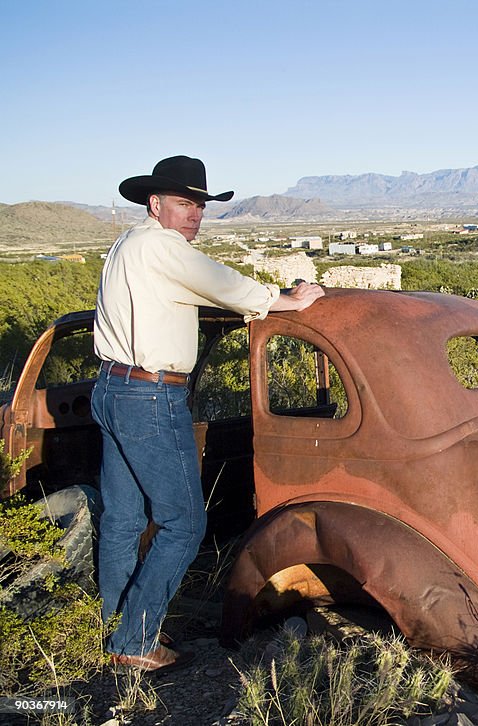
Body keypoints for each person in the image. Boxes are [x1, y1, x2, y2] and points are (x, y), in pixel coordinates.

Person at [92, 155, 324, 672]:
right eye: (184, 202)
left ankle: (117, 625)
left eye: (199, 204)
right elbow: (227, 285)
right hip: (150, 395)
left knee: (125, 519)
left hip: (111, 386)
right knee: (184, 523)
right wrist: (288, 298)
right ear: (156, 204)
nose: (195, 213)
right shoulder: (163, 247)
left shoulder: (126, 245)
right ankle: (135, 639)